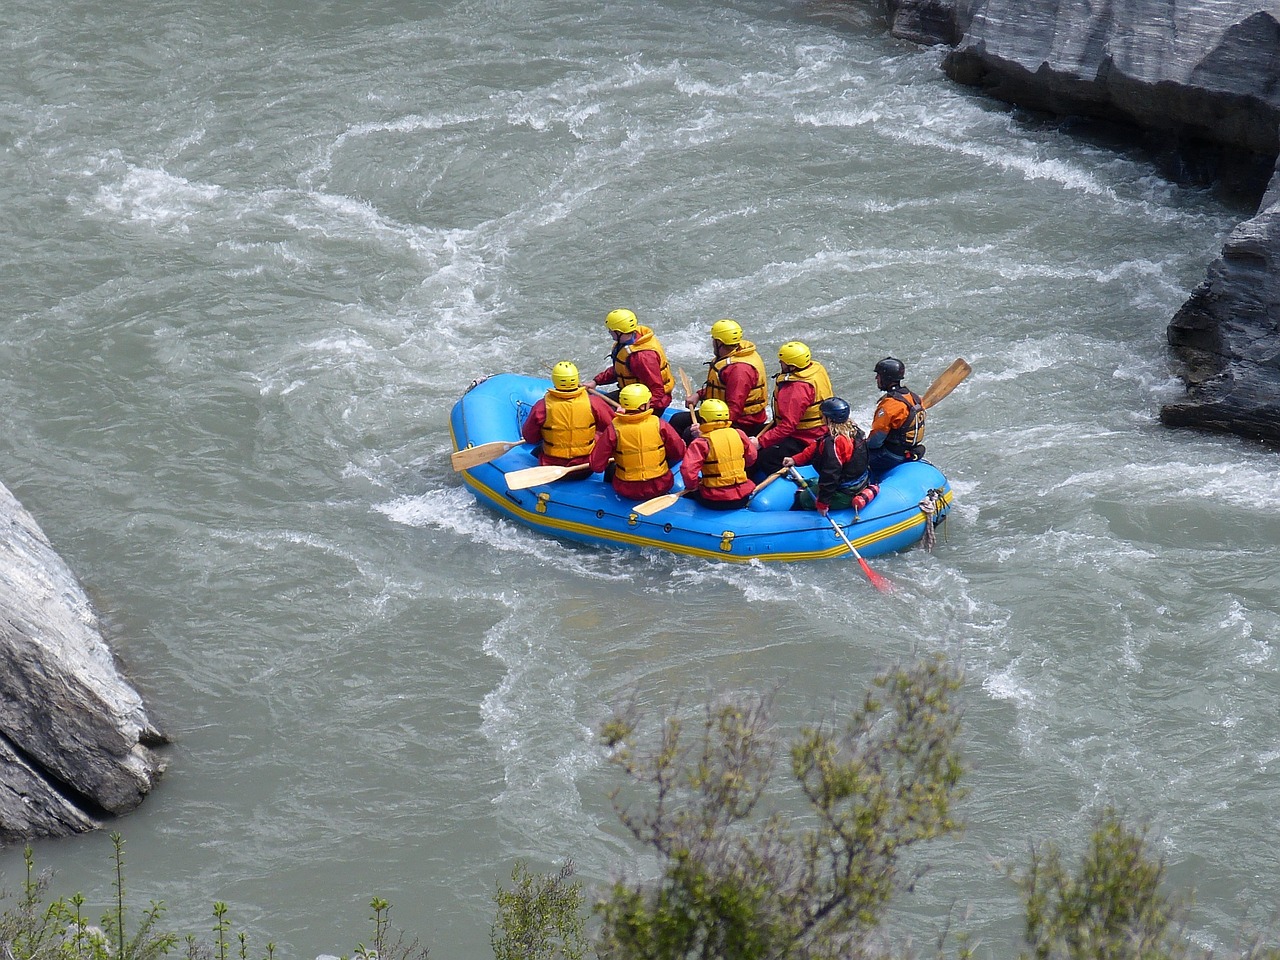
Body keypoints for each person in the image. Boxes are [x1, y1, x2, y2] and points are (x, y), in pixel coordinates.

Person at [669, 318, 768, 439]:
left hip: (741, 423)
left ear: (719, 342)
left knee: (689, 434)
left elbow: (734, 410)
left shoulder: (739, 371)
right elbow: (723, 389)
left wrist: (709, 430)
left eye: (713, 339)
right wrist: (699, 395)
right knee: (677, 420)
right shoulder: (732, 355)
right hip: (721, 413)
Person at [589, 383, 686, 501]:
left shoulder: (613, 429)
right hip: (660, 486)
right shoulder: (660, 424)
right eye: (648, 401)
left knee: (611, 468)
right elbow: (679, 453)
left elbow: (597, 466)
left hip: (626, 489)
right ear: (642, 406)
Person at [751, 340, 834, 478]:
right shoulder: (815, 369)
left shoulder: (796, 389)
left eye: (782, 362)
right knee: (755, 430)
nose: (780, 364)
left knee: (766, 457)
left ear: (792, 367)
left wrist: (760, 442)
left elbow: (787, 427)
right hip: (817, 430)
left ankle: (789, 482)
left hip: (805, 438)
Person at [782, 397, 876, 515]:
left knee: (801, 498)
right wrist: (794, 459)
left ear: (829, 419)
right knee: (812, 481)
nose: (821, 418)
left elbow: (830, 474)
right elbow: (815, 446)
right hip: (861, 484)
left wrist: (822, 504)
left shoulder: (834, 443)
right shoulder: (855, 431)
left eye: (823, 415)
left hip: (844, 494)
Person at [520, 361, 615, 466]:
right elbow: (613, 428)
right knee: (598, 435)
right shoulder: (595, 403)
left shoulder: (542, 406)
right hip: (586, 467)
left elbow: (530, 437)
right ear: (576, 379)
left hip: (552, 465)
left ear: (555, 380)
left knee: (542, 444)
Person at [590, 308, 675, 413]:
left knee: (601, 413)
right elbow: (622, 369)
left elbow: (658, 391)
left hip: (649, 402)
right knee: (593, 404)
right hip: (631, 394)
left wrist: (634, 408)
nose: (609, 332)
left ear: (619, 332)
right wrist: (596, 381)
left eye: (611, 330)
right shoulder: (630, 341)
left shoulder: (642, 358)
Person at [679, 399, 758, 510]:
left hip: (713, 500)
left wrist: (694, 486)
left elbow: (688, 471)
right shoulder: (739, 434)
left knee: (689, 494)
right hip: (742, 497)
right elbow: (752, 457)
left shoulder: (701, 443)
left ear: (703, 419)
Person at [866, 356, 926, 477]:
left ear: (886, 378)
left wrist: (861, 445)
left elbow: (876, 441)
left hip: (891, 455)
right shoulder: (914, 397)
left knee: (854, 460)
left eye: (878, 375)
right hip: (909, 450)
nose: (876, 378)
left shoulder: (890, 405)